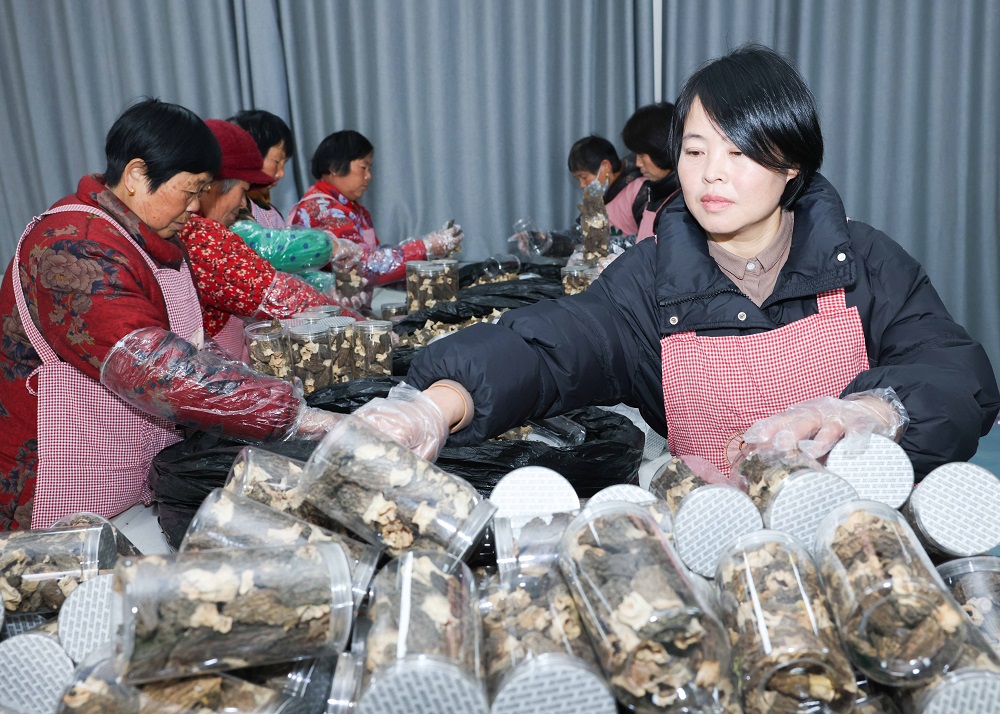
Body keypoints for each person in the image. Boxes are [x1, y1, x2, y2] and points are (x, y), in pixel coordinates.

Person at [359, 44, 999, 481]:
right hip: (715, 553)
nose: (712, 174)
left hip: (863, 546)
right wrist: (437, 402)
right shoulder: (652, 279)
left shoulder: (865, 261)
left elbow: (958, 375)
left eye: (740, 152)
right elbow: (552, 347)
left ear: (793, 164)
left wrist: (875, 411)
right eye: (696, 151)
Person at [0, 99, 342, 530]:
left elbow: (192, 346)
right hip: (55, 486)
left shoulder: (149, 235)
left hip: (126, 481)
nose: (196, 207)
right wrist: (293, 414)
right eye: (192, 190)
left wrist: (252, 381)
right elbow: (157, 370)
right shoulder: (73, 247)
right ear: (136, 175)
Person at [177, 119, 362, 360]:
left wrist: (328, 292)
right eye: (243, 191)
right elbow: (278, 294)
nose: (243, 203)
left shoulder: (200, 229)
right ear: (211, 186)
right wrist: (357, 324)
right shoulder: (201, 237)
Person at [287, 130, 463, 308]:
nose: (368, 176)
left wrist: (426, 261)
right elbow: (363, 267)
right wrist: (425, 247)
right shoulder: (322, 210)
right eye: (363, 168)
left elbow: (375, 260)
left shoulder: (353, 209)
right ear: (334, 167)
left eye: (369, 169)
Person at [622, 101, 681, 241]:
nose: (637, 163)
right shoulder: (656, 193)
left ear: (661, 150)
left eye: (642, 155)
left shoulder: (679, 207)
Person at [228, 109, 296, 228]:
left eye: (284, 163)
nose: (281, 174)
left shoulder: (268, 209)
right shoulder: (232, 211)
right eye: (277, 161)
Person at [567, 134, 644, 236]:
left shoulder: (639, 190)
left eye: (584, 177)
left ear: (606, 167)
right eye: (578, 179)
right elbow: (578, 234)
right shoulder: (601, 194)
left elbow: (648, 238)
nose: (582, 185)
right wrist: (548, 239)